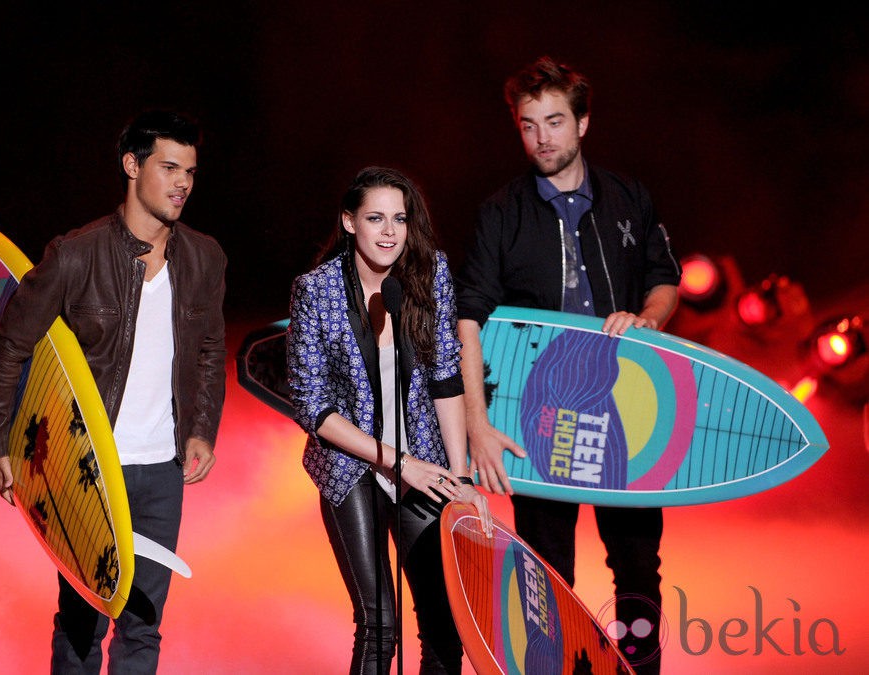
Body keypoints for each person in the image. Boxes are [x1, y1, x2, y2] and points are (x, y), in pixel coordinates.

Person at [0, 109, 227, 673]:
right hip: (85, 465)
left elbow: (210, 350)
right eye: (169, 167)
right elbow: (10, 345)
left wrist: (202, 429)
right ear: (132, 166)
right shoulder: (75, 255)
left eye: (190, 170)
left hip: (161, 470)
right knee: (82, 620)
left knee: (143, 623)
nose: (183, 181)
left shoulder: (205, 257)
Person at [454, 56, 682, 674]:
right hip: (539, 419)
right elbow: (467, 318)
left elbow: (665, 279)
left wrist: (650, 320)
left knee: (637, 568)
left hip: (625, 414)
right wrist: (478, 425)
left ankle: (639, 671)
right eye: (528, 125)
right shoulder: (500, 213)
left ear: (583, 122)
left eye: (555, 122)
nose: (541, 138)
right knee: (545, 574)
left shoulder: (628, 197)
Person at [286, 166, 492, 674]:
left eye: (399, 218)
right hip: (350, 463)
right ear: (349, 222)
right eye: (375, 217)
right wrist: (397, 463)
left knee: (444, 626)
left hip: (422, 457)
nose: (388, 231)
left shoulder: (430, 272)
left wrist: (460, 475)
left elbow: (446, 375)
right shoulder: (316, 290)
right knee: (380, 622)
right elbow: (313, 407)